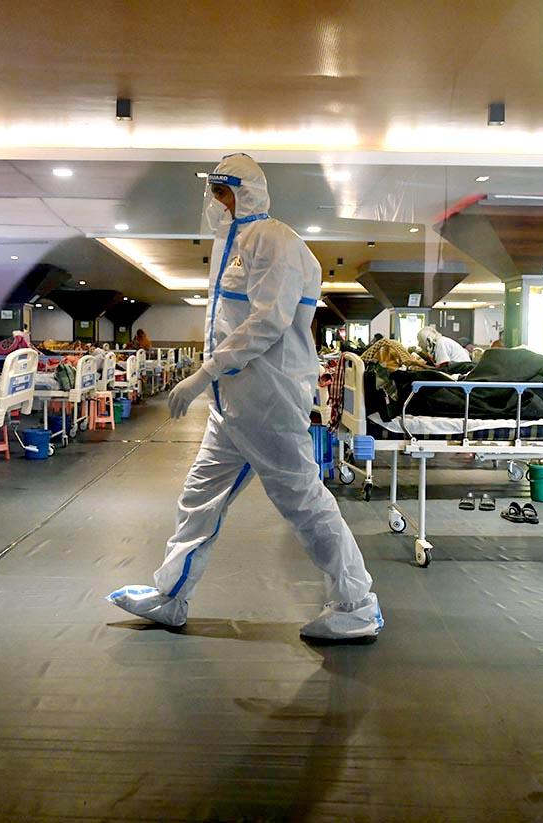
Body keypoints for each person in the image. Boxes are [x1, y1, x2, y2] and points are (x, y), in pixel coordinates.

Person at [106, 153, 381, 641]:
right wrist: (211, 382)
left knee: (304, 502)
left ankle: (357, 605)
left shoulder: (276, 242)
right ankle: (171, 595)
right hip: (229, 404)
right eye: (215, 192)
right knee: (199, 498)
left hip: (269, 401)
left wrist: (202, 373)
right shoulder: (229, 245)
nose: (218, 202)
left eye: (225, 192)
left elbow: (267, 323)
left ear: (247, 192)